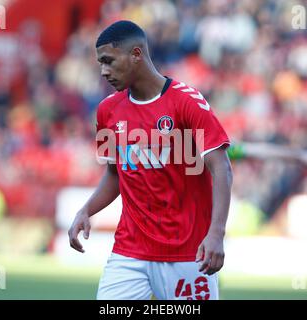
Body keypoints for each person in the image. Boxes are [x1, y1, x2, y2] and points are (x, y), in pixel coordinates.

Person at [68, 20, 232, 300]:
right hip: (130, 250)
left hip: (187, 251)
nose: (103, 71)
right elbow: (115, 173)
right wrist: (86, 210)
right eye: (100, 63)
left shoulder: (186, 102)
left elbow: (221, 167)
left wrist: (216, 233)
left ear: (136, 54)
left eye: (109, 61)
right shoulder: (108, 110)